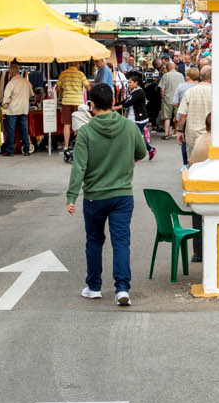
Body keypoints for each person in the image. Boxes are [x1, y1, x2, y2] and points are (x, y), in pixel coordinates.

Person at [65, 82, 144, 306]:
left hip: (94, 196)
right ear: (112, 102)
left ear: (91, 105)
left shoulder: (86, 132)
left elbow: (79, 167)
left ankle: (94, 286)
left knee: (94, 241)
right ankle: (122, 288)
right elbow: (141, 151)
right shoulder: (129, 127)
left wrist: (71, 197)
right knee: (121, 242)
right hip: (122, 195)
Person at [179, 65, 213, 164]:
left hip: (192, 134)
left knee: (192, 162)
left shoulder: (190, 91)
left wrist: (179, 131)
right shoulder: (215, 92)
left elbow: (182, 114)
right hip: (210, 134)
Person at [1, 65, 34, 156]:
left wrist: (4, 106)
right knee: (24, 130)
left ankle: (10, 150)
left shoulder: (11, 84)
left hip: (12, 110)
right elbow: (31, 94)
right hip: (23, 109)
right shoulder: (26, 82)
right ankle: (26, 150)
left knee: (11, 131)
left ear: (11, 73)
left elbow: (6, 98)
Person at [160, 57, 185, 138]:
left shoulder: (165, 76)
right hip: (178, 99)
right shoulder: (181, 75)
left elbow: (162, 88)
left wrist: (162, 97)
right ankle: (178, 133)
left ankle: (166, 134)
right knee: (178, 116)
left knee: (167, 117)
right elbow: (182, 87)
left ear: (168, 68)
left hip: (168, 98)